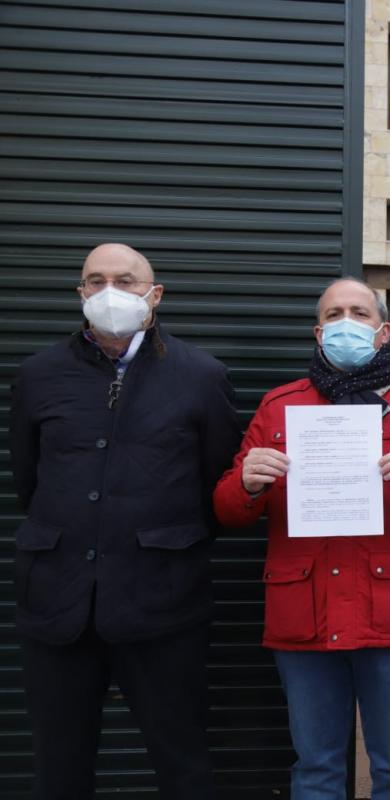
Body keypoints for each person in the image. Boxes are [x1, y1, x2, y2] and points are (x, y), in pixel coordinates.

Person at [212, 278, 390, 800]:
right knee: (315, 768)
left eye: (357, 312)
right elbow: (227, 508)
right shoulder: (279, 407)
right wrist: (246, 482)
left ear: (382, 332)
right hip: (303, 617)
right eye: (333, 314)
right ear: (318, 332)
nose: (344, 322)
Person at [10, 243, 241, 799]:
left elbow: (217, 487)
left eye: (126, 280)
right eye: (95, 280)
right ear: (80, 294)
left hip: (163, 605)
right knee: (59, 770)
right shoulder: (38, 375)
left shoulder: (201, 376)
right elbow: (29, 482)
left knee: (183, 764)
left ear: (154, 294)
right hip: (59, 606)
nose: (110, 291)